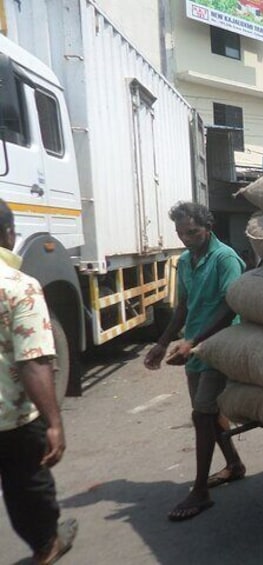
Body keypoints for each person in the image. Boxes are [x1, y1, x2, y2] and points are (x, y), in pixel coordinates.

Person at [144, 202, 246, 522]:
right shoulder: (185, 262)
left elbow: (230, 305)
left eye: (192, 232)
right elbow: (183, 307)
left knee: (202, 415)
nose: (186, 238)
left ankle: (200, 491)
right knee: (207, 413)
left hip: (219, 346)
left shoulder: (225, 258)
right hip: (194, 349)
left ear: (208, 227)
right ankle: (234, 465)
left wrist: (195, 341)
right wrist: (163, 343)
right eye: (180, 233)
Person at [0, 198, 77, 563]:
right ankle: (47, 546)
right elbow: (33, 362)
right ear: (10, 234)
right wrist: (54, 422)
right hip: (11, 418)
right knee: (28, 484)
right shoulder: (18, 286)